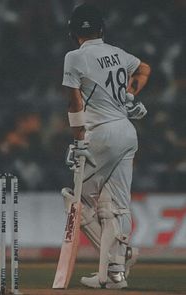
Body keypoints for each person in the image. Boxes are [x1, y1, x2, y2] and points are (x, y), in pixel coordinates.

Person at [62, 3, 151, 289]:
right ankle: (114, 275)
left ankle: (119, 258)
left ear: (73, 30)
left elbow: (75, 102)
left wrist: (78, 139)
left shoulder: (74, 57)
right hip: (127, 132)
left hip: (100, 133)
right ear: (102, 28)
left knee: (75, 200)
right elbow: (145, 68)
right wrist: (129, 95)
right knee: (117, 207)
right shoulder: (118, 53)